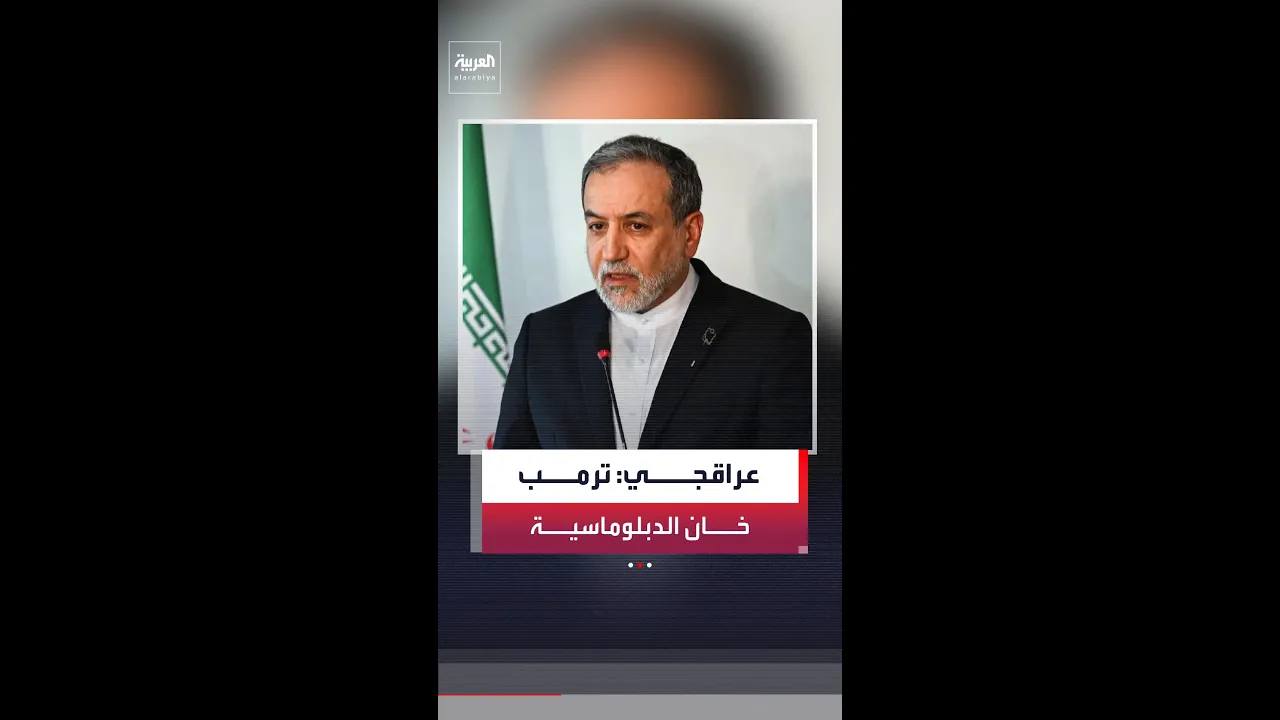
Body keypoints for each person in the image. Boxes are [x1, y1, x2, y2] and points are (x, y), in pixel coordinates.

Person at [494, 135, 812, 450]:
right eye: (597, 227)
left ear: (689, 233)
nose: (611, 252)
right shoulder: (544, 335)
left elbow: (793, 480)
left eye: (636, 226)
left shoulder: (773, 337)